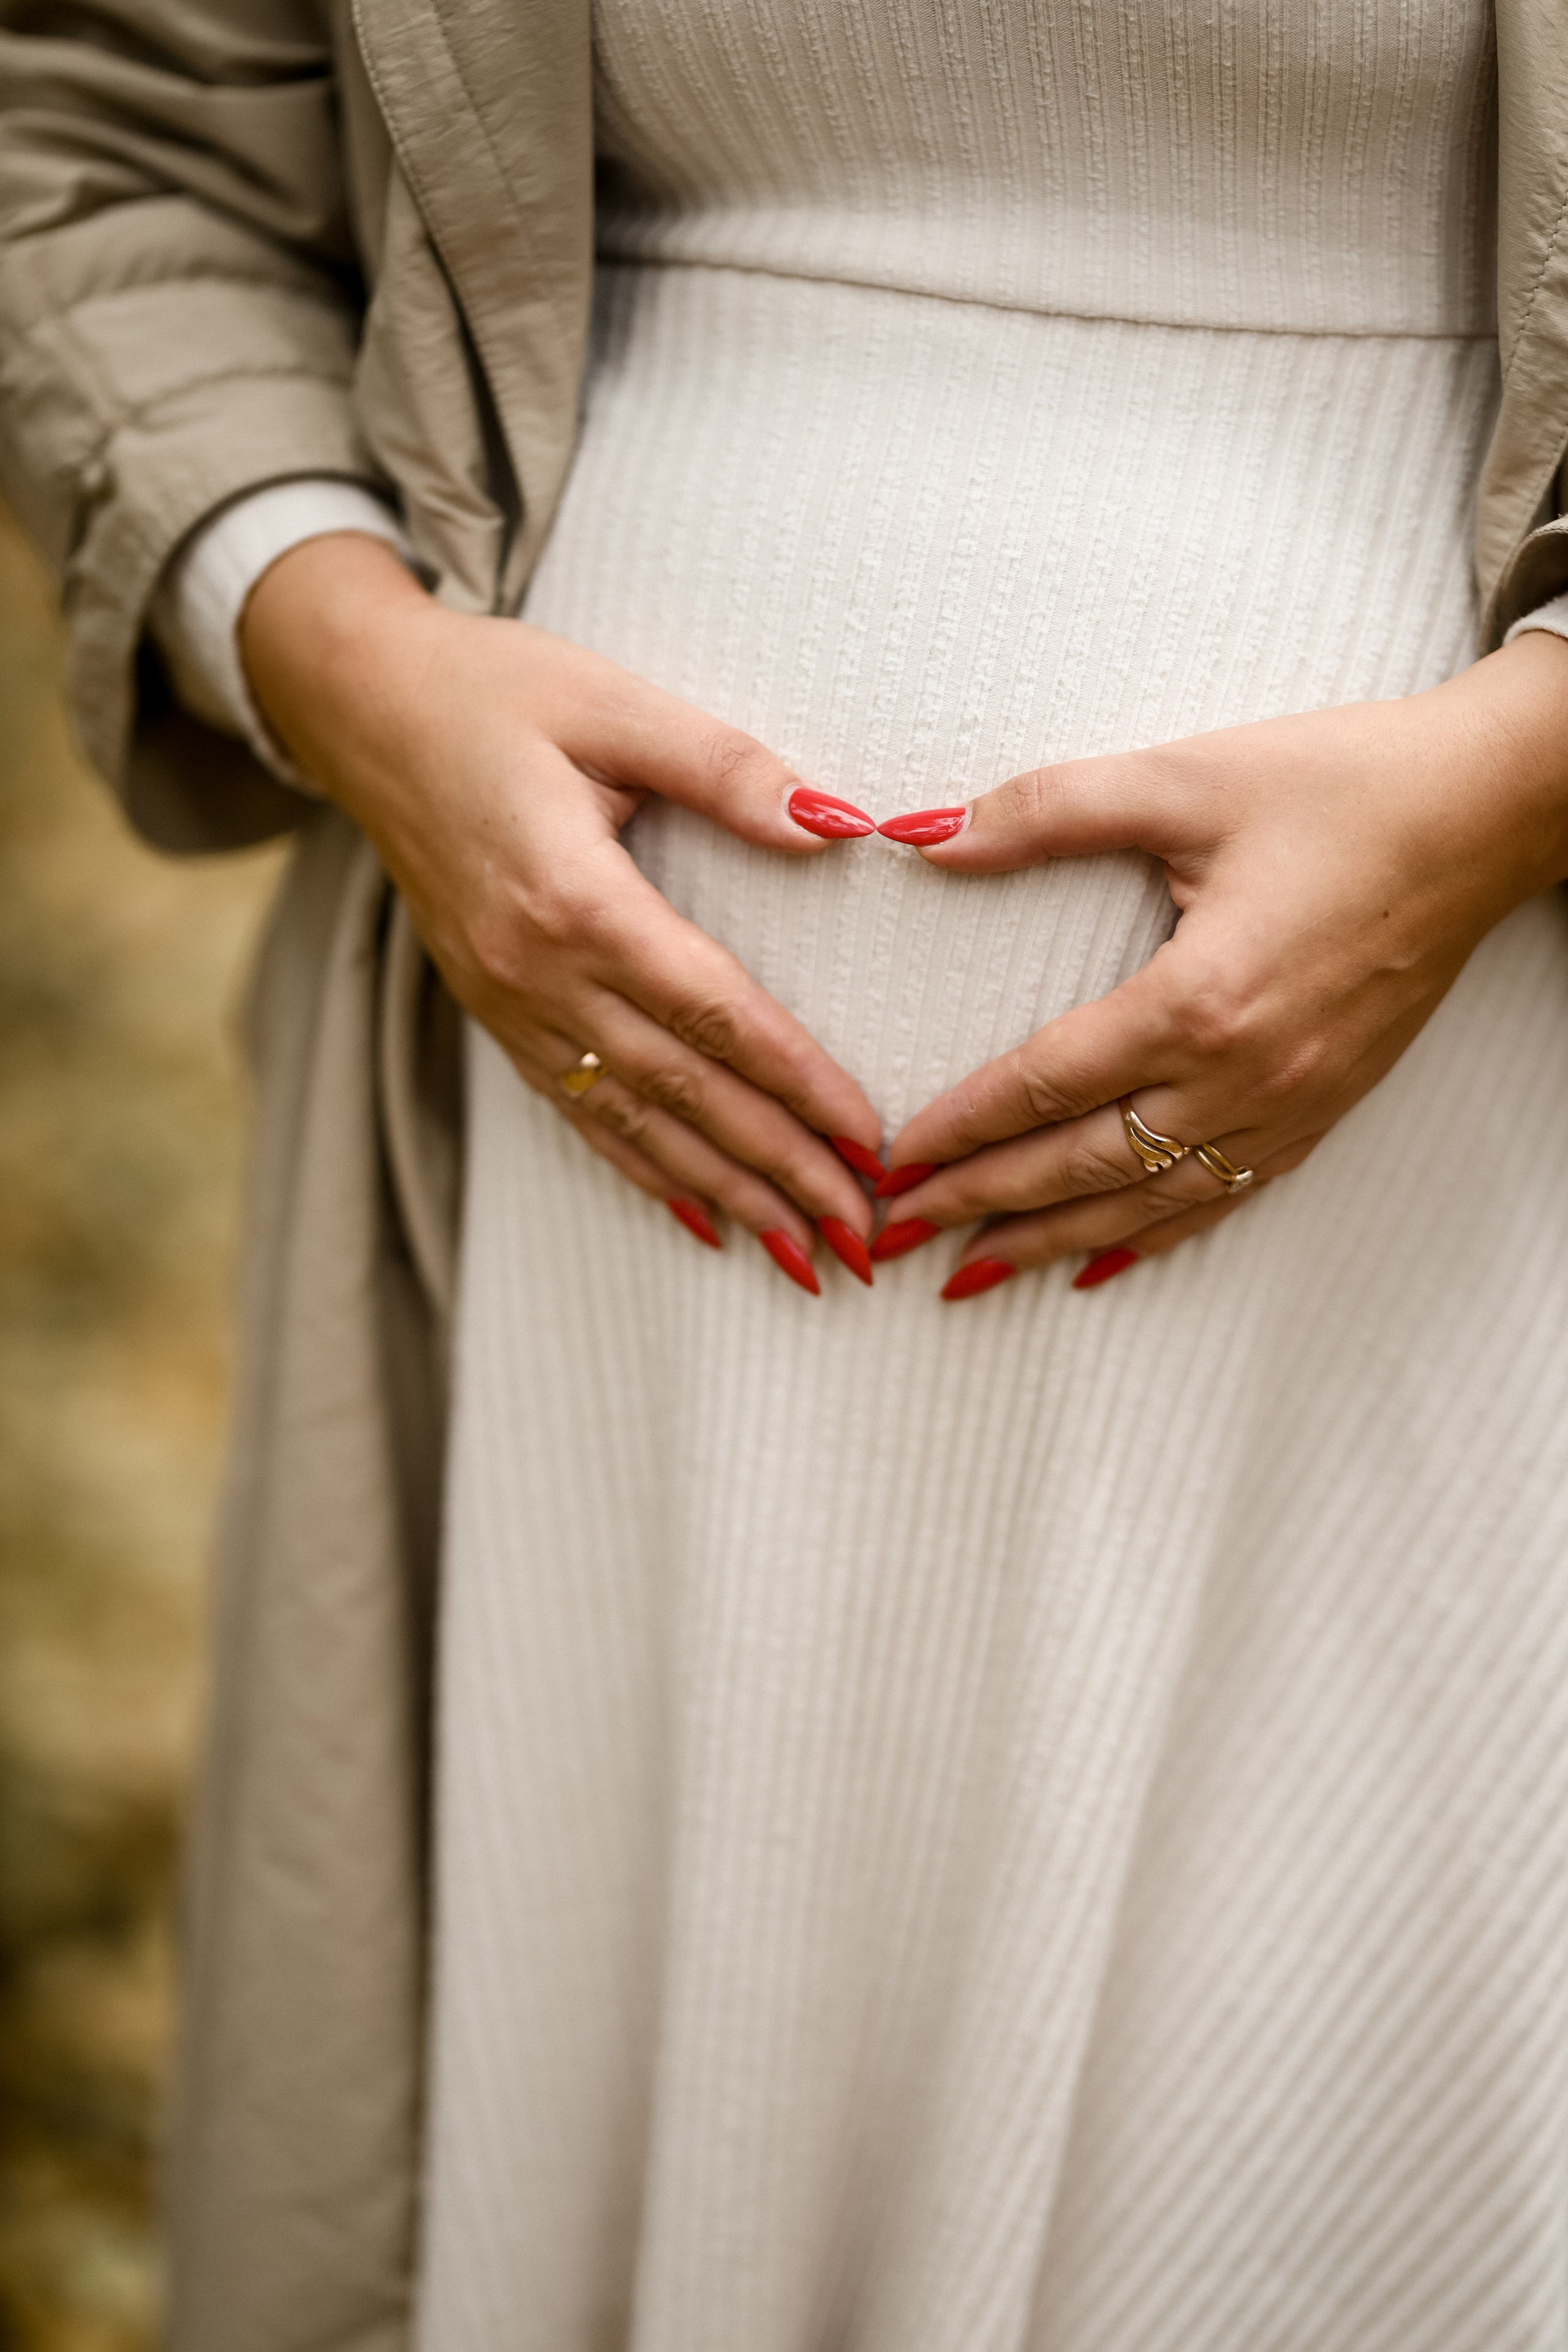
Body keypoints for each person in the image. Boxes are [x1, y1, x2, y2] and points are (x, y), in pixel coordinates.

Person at [6, 2, 1568, 2347]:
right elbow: (92, 123)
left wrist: (1522, 776)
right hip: (587, 1252)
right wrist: (333, 645)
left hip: (1448, 1195)